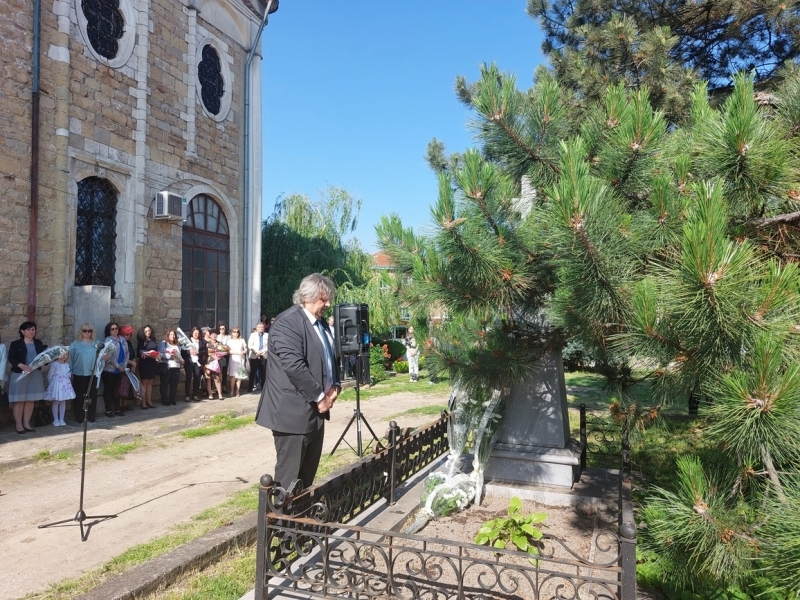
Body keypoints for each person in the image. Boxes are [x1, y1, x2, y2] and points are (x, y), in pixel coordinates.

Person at [255, 273, 341, 490]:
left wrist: (336, 385)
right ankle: (280, 523)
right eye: (324, 299)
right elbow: (294, 367)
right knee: (288, 482)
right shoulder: (288, 323)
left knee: (305, 480)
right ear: (307, 297)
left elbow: (330, 357)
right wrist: (321, 397)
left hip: (315, 413)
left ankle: (300, 521)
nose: (328, 304)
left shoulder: (320, 324)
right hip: (291, 415)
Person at [8, 321, 47, 433]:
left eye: (33, 329)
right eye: (28, 329)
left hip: (34, 375)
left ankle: (27, 423)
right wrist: (21, 365)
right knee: (19, 400)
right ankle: (19, 424)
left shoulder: (38, 343)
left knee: (30, 400)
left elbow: (43, 357)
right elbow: (12, 358)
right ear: (22, 331)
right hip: (20, 374)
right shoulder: (15, 344)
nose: (31, 332)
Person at [69, 323, 99, 424]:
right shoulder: (75, 344)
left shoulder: (96, 343)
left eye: (89, 331)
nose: (87, 333)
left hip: (92, 373)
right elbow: (70, 359)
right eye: (85, 330)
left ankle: (91, 416)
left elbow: (102, 356)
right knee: (79, 396)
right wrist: (70, 372)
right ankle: (80, 417)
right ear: (81, 331)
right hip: (79, 373)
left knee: (92, 396)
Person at [101, 322, 129, 417]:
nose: (115, 330)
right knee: (108, 390)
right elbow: (108, 357)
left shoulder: (123, 339)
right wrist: (118, 366)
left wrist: (124, 366)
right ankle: (108, 410)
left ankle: (117, 409)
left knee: (117, 390)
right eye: (112, 329)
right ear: (109, 331)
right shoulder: (107, 341)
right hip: (109, 370)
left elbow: (127, 353)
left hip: (120, 369)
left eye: (116, 328)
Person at [46, 351, 75, 426]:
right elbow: (50, 375)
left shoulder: (67, 365)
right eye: (62, 354)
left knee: (63, 402)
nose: (64, 356)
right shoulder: (55, 364)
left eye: (66, 354)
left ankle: (61, 419)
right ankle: (55, 419)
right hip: (56, 385)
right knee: (56, 402)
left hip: (64, 385)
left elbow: (69, 375)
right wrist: (51, 385)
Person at [158, 329, 183, 406]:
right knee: (164, 384)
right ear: (168, 335)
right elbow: (160, 354)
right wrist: (170, 356)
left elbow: (179, 355)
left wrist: (182, 360)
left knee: (174, 384)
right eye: (171, 334)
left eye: (174, 334)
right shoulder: (163, 343)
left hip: (176, 366)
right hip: (167, 366)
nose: (173, 336)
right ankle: (164, 400)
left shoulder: (177, 345)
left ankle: (172, 399)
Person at [136, 325, 159, 409]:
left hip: (152, 363)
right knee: (144, 382)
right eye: (146, 331)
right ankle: (143, 402)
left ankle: (149, 401)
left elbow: (156, 349)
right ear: (143, 332)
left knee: (150, 382)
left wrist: (156, 354)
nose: (148, 332)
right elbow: (139, 352)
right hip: (144, 363)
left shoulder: (153, 340)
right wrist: (148, 353)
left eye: (149, 330)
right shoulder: (142, 341)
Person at [181, 326, 205, 402]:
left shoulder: (201, 342)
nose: (197, 334)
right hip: (189, 361)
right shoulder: (187, 341)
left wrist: (198, 352)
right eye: (195, 333)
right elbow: (182, 352)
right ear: (192, 333)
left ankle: (195, 394)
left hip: (197, 362)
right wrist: (189, 352)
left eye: (198, 333)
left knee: (197, 378)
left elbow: (204, 351)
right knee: (188, 378)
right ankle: (187, 395)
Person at [118, 325, 138, 412]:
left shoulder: (129, 343)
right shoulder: (121, 344)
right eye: (126, 334)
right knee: (122, 387)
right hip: (123, 367)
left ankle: (125, 405)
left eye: (129, 334)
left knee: (128, 388)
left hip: (130, 368)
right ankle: (121, 406)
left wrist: (133, 365)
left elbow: (132, 354)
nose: (128, 336)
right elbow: (122, 357)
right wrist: (131, 363)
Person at [226, 326, 248, 397]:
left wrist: (243, 352)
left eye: (237, 332)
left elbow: (245, 349)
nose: (236, 333)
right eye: (234, 332)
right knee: (233, 375)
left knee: (239, 375)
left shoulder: (242, 340)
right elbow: (228, 351)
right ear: (232, 333)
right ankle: (232, 390)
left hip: (240, 358)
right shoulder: (229, 341)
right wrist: (238, 352)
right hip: (233, 359)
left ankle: (238, 390)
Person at [248, 322, 268, 392]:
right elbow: (250, 345)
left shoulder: (267, 335)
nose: (261, 328)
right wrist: (257, 352)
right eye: (259, 327)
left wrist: (261, 352)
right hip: (254, 356)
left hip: (264, 356)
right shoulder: (253, 335)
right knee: (253, 372)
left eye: (262, 327)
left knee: (263, 373)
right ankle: (250, 388)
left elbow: (268, 346)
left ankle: (263, 388)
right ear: (256, 328)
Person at [205, 329, 224, 400]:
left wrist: (220, 356)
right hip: (209, 363)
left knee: (217, 379)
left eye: (215, 334)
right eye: (212, 334)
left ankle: (220, 394)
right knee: (209, 378)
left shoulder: (220, 343)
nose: (214, 336)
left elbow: (223, 352)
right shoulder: (207, 344)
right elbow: (206, 354)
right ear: (210, 335)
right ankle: (210, 394)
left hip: (217, 363)